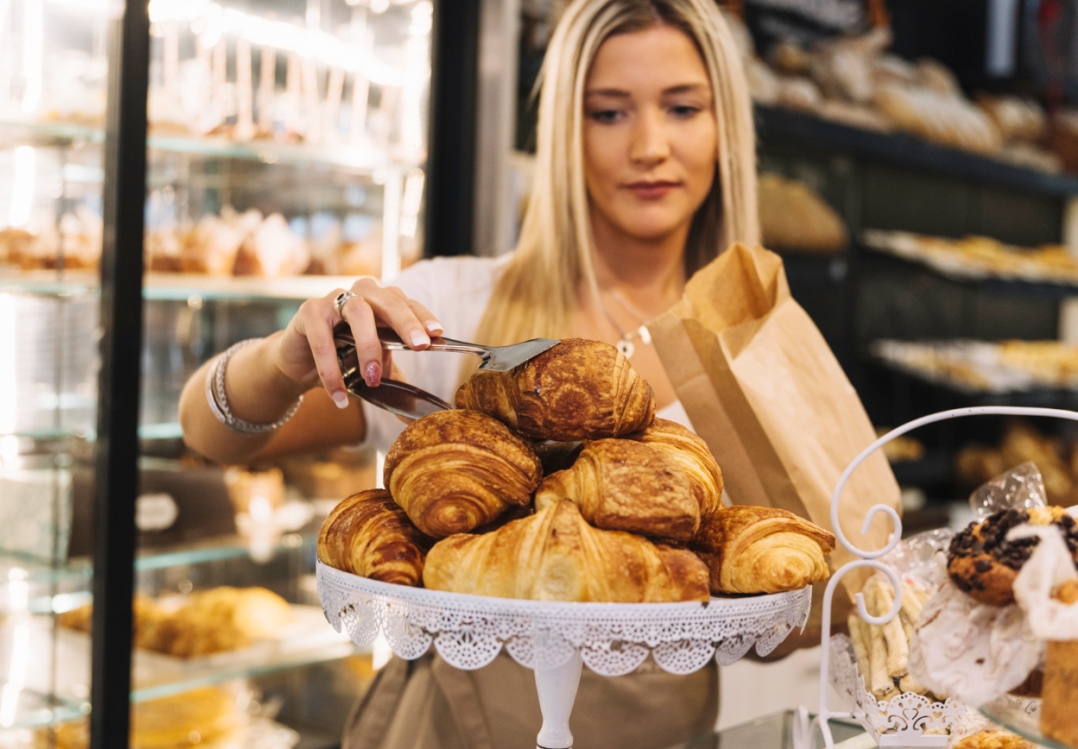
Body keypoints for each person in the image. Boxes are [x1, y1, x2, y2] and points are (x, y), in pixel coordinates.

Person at [180, 0, 771, 746]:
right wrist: (282, 358)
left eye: (682, 108)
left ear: (725, 127)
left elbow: (794, 609)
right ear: (563, 132)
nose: (650, 145)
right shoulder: (456, 305)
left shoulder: (758, 344)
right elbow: (212, 432)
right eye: (608, 113)